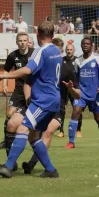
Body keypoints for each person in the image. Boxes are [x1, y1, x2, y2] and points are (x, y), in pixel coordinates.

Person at [0, 21, 62, 178]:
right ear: (53, 35)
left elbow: (28, 69)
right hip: (54, 99)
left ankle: (7, 167)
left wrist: (3, 76)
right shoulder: (56, 50)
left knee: (22, 129)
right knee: (33, 136)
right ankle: (50, 170)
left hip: (43, 100)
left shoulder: (40, 51)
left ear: (38, 35)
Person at [21, 38, 80, 174]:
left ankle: (32, 163)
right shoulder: (42, 64)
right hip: (41, 104)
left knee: (47, 132)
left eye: (58, 51)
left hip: (58, 107)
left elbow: (78, 94)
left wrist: (70, 89)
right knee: (33, 134)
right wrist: (28, 97)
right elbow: (28, 81)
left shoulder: (66, 68)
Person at [65, 37, 99, 149]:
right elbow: (76, 77)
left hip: (95, 94)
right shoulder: (77, 61)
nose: (85, 45)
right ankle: (71, 142)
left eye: (88, 44)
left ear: (92, 45)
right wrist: (76, 88)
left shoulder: (98, 58)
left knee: (98, 118)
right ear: (81, 46)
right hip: (82, 93)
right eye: (83, 44)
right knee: (75, 113)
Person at [0, 32, 35, 153]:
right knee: (9, 114)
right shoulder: (13, 55)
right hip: (18, 90)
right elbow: (6, 71)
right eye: (20, 41)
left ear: (28, 41)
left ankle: (34, 139)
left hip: (32, 90)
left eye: (24, 40)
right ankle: (6, 140)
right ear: (17, 42)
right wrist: (4, 85)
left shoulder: (34, 53)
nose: (23, 43)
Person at [56, 42, 83, 138]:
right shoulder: (61, 60)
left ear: (74, 50)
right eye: (67, 49)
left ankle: (78, 130)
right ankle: (61, 131)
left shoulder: (78, 60)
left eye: (71, 50)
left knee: (77, 108)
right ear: (65, 50)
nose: (69, 51)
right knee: (61, 109)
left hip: (74, 88)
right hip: (63, 87)